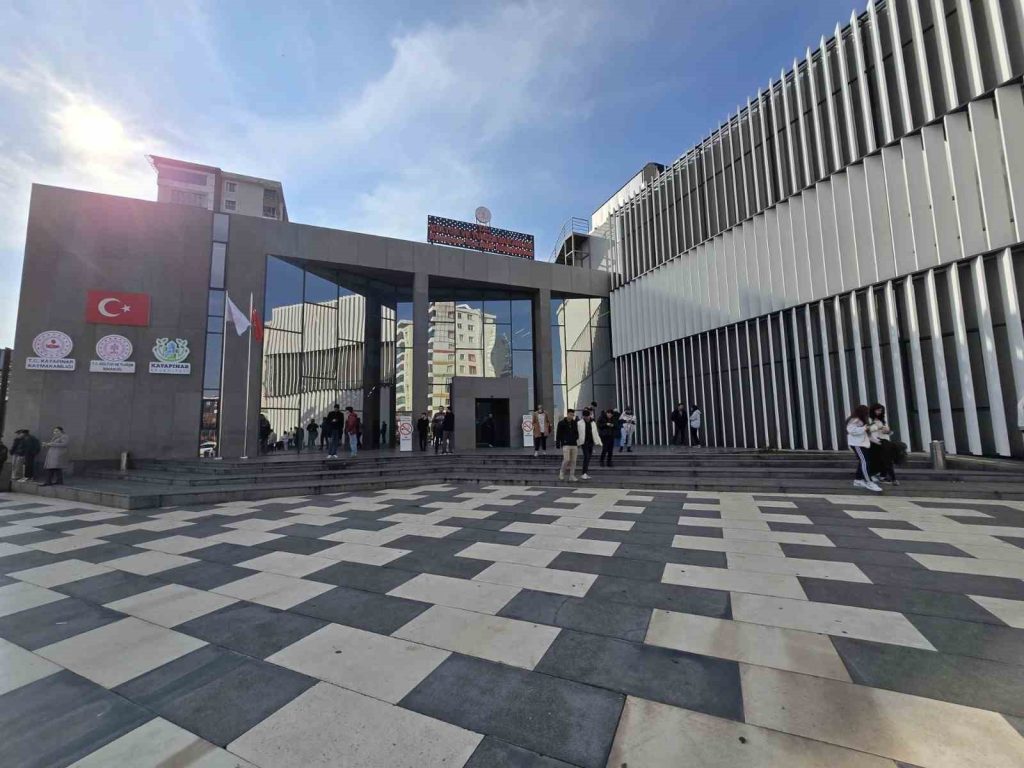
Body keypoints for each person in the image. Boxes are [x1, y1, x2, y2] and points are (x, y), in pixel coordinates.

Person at [847, 405, 882, 492]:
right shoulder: (855, 420)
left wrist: (876, 441)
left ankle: (858, 480)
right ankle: (868, 481)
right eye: (866, 412)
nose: (868, 414)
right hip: (857, 444)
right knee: (864, 461)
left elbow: (867, 434)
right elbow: (851, 430)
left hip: (863, 444)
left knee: (864, 461)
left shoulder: (864, 420)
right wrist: (864, 428)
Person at [868, 403, 898, 485]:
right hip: (874, 442)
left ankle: (888, 477)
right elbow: (868, 430)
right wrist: (878, 428)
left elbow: (888, 432)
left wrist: (888, 431)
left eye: (880, 411)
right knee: (882, 459)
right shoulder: (869, 419)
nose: (879, 412)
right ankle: (884, 476)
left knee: (887, 459)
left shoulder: (882, 420)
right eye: (877, 410)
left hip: (884, 441)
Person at [556, 408, 580, 481]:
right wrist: (558, 443)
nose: (571, 416)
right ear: (567, 414)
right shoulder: (561, 423)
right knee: (566, 460)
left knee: (574, 461)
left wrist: (575, 438)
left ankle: (572, 475)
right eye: (570, 414)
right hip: (566, 444)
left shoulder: (574, 423)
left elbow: (577, 432)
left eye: (573, 415)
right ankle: (561, 473)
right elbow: (558, 434)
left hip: (574, 444)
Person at [578, 408, 602, 480]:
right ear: (583, 416)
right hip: (584, 442)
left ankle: (585, 472)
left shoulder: (593, 423)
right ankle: (584, 473)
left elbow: (595, 433)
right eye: (585, 416)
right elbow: (577, 433)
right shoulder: (579, 423)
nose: (587, 418)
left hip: (591, 442)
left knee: (588, 457)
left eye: (588, 416)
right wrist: (577, 442)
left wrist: (599, 442)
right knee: (586, 457)